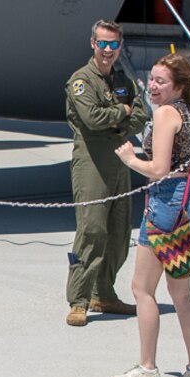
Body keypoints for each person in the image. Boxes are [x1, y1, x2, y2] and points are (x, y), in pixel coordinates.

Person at [111, 53, 190, 377]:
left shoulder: (167, 113)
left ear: (177, 86)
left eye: (160, 81)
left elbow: (159, 169)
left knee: (141, 288)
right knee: (181, 292)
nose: (152, 85)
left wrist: (130, 159)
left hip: (166, 202)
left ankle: (148, 367)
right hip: (189, 199)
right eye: (151, 78)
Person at [65, 20, 152, 326]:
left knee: (118, 233)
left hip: (119, 161)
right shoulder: (81, 80)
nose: (108, 50)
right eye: (102, 44)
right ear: (93, 44)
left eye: (113, 45)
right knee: (92, 231)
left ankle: (104, 293)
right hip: (92, 163)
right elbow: (91, 118)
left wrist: (120, 120)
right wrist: (122, 113)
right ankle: (79, 299)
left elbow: (142, 114)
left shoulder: (122, 80)